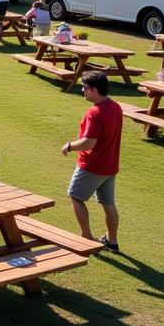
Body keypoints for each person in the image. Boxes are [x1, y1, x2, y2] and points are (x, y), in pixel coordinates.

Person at [62, 71, 123, 250]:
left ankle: (87, 237)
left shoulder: (95, 112)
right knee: (108, 203)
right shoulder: (116, 107)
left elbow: (89, 143)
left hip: (93, 165)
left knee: (74, 196)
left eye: (85, 88)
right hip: (110, 165)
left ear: (94, 90)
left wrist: (70, 146)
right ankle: (112, 241)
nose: (83, 90)